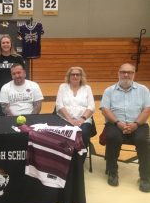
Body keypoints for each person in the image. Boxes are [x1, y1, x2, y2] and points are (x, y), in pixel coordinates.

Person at [100, 63, 150, 192]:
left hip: (138, 124)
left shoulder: (143, 90)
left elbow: (147, 110)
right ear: (118, 73)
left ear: (134, 74)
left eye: (129, 72)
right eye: (123, 72)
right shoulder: (109, 90)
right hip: (115, 124)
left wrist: (136, 124)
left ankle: (145, 177)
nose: (126, 74)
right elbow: (105, 110)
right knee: (112, 137)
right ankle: (112, 172)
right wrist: (118, 123)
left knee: (143, 141)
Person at [55, 66, 95, 148]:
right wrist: (70, 119)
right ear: (69, 76)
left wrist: (82, 119)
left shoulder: (87, 88)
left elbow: (91, 106)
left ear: (81, 77)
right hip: (65, 119)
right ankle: (66, 156)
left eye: (78, 74)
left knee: (83, 133)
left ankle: (80, 157)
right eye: (72, 74)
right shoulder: (63, 87)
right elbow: (59, 105)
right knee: (64, 134)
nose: (75, 76)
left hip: (84, 120)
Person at [0, 34, 25, 115]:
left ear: (11, 44)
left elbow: (22, 74)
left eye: (7, 42)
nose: (5, 44)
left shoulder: (18, 58)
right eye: (3, 43)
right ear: (0, 45)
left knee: (13, 112)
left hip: (14, 90)